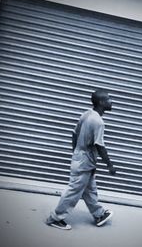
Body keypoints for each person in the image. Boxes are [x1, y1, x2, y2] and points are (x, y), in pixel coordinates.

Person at [46, 89, 116, 230]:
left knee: (89, 189)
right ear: (101, 102)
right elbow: (99, 145)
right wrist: (110, 165)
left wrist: (77, 152)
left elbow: (74, 134)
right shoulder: (98, 122)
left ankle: (99, 214)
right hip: (85, 161)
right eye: (109, 99)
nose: (111, 101)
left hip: (82, 158)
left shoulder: (86, 114)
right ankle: (55, 218)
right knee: (73, 191)